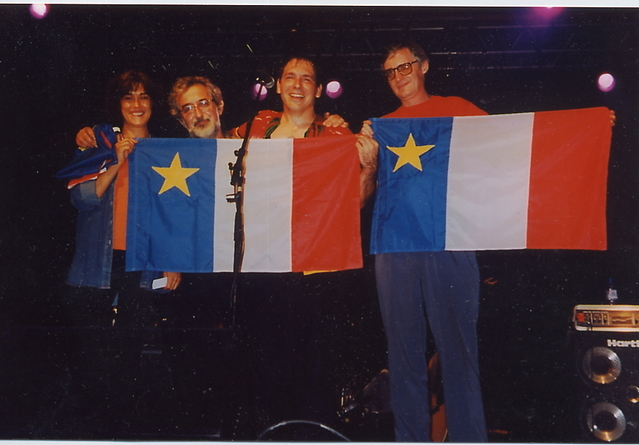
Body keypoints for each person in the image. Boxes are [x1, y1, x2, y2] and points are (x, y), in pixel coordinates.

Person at [228, 56, 375, 434]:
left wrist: (370, 167)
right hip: (263, 266)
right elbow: (212, 151)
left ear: (318, 89)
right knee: (266, 370)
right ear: (277, 85)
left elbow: (356, 201)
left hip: (318, 271)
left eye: (306, 79)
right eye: (289, 77)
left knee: (316, 371)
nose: (297, 85)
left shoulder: (336, 137)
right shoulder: (254, 130)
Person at [358, 41, 488, 442]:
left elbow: (510, 141)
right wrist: (367, 158)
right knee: (403, 356)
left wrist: (585, 125)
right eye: (391, 72)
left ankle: (468, 438)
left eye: (405, 67)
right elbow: (360, 192)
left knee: (458, 352)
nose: (399, 77)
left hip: (449, 241)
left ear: (424, 66)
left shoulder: (458, 108)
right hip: (395, 245)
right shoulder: (381, 125)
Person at [62, 70, 181, 433]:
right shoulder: (95, 144)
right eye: (128, 97)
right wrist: (115, 159)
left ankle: (126, 432)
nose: (136, 105)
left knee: (132, 360)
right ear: (118, 104)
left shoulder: (165, 152)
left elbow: (173, 215)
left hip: (142, 265)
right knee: (90, 360)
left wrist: (172, 262)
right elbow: (81, 199)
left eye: (143, 97)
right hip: (96, 265)